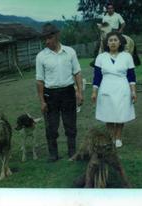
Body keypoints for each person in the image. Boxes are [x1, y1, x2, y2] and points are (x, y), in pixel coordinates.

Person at [36, 23, 83, 162]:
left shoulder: (70, 52)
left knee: (70, 124)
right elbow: (39, 81)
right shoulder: (41, 56)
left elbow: (77, 73)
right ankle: (53, 154)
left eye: (49, 38)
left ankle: (72, 152)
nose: (47, 42)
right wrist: (42, 101)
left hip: (68, 92)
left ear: (56, 36)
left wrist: (80, 92)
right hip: (50, 94)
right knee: (51, 126)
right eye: (45, 39)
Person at [91, 31, 137, 148]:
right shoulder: (101, 57)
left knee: (121, 113)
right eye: (110, 40)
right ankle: (111, 136)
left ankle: (118, 137)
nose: (113, 43)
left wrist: (133, 91)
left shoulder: (127, 56)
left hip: (122, 87)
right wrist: (94, 92)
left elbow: (131, 76)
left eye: (115, 40)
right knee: (109, 113)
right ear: (107, 43)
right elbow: (97, 77)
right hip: (106, 87)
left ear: (120, 42)